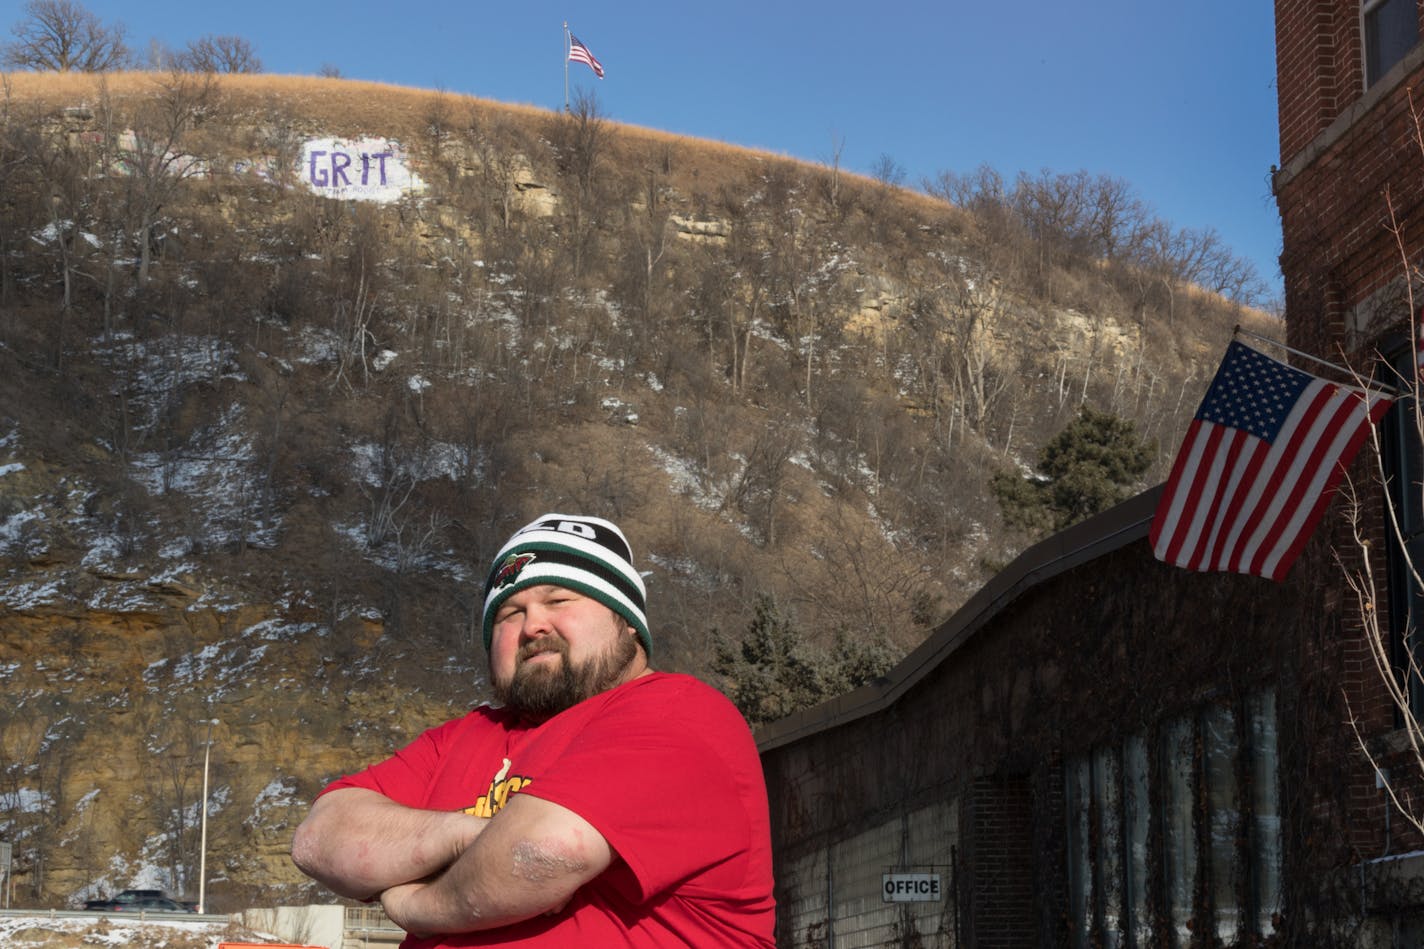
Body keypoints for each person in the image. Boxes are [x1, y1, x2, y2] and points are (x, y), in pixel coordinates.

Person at [291, 513, 777, 947]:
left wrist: (411, 907)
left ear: (627, 622)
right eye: (509, 613)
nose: (532, 626)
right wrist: (465, 835)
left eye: (559, 599)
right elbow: (320, 838)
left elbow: (546, 853)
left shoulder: (676, 710)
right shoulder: (462, 737)